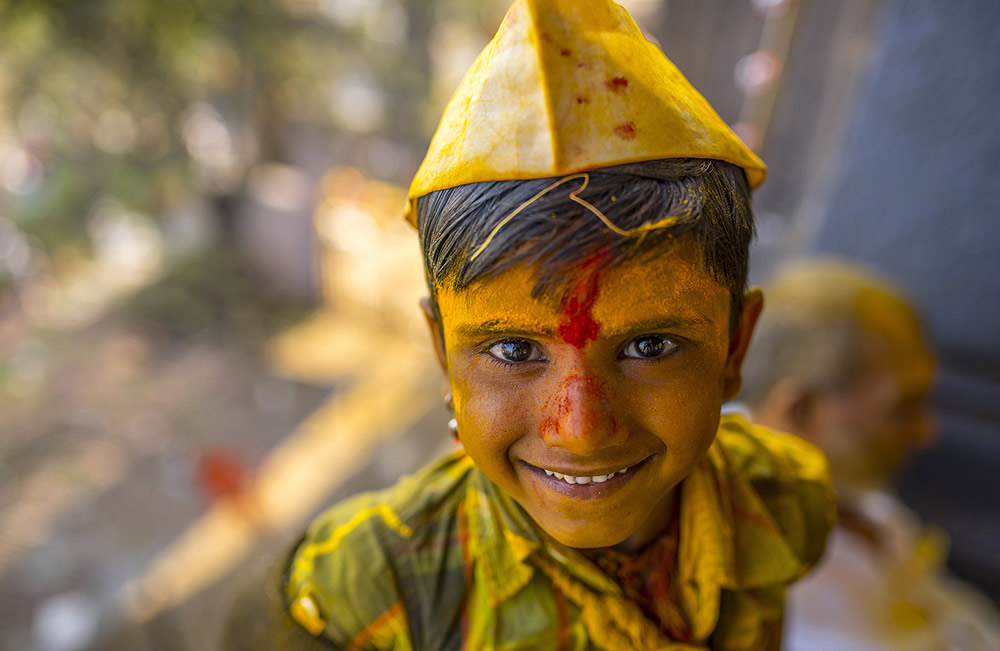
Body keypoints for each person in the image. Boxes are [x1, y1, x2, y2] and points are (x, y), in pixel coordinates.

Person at [223, 1, 835, 648]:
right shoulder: (357, 596)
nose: (579, 430)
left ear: (735, 343)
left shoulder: (782, 501)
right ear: (441, 355)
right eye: (514, 348)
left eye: (650, 345)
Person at [739, 258, 1000, 650]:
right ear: (802, 409)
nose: (927, 432)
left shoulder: (845, 485)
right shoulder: (764, 582)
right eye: (904, 409)